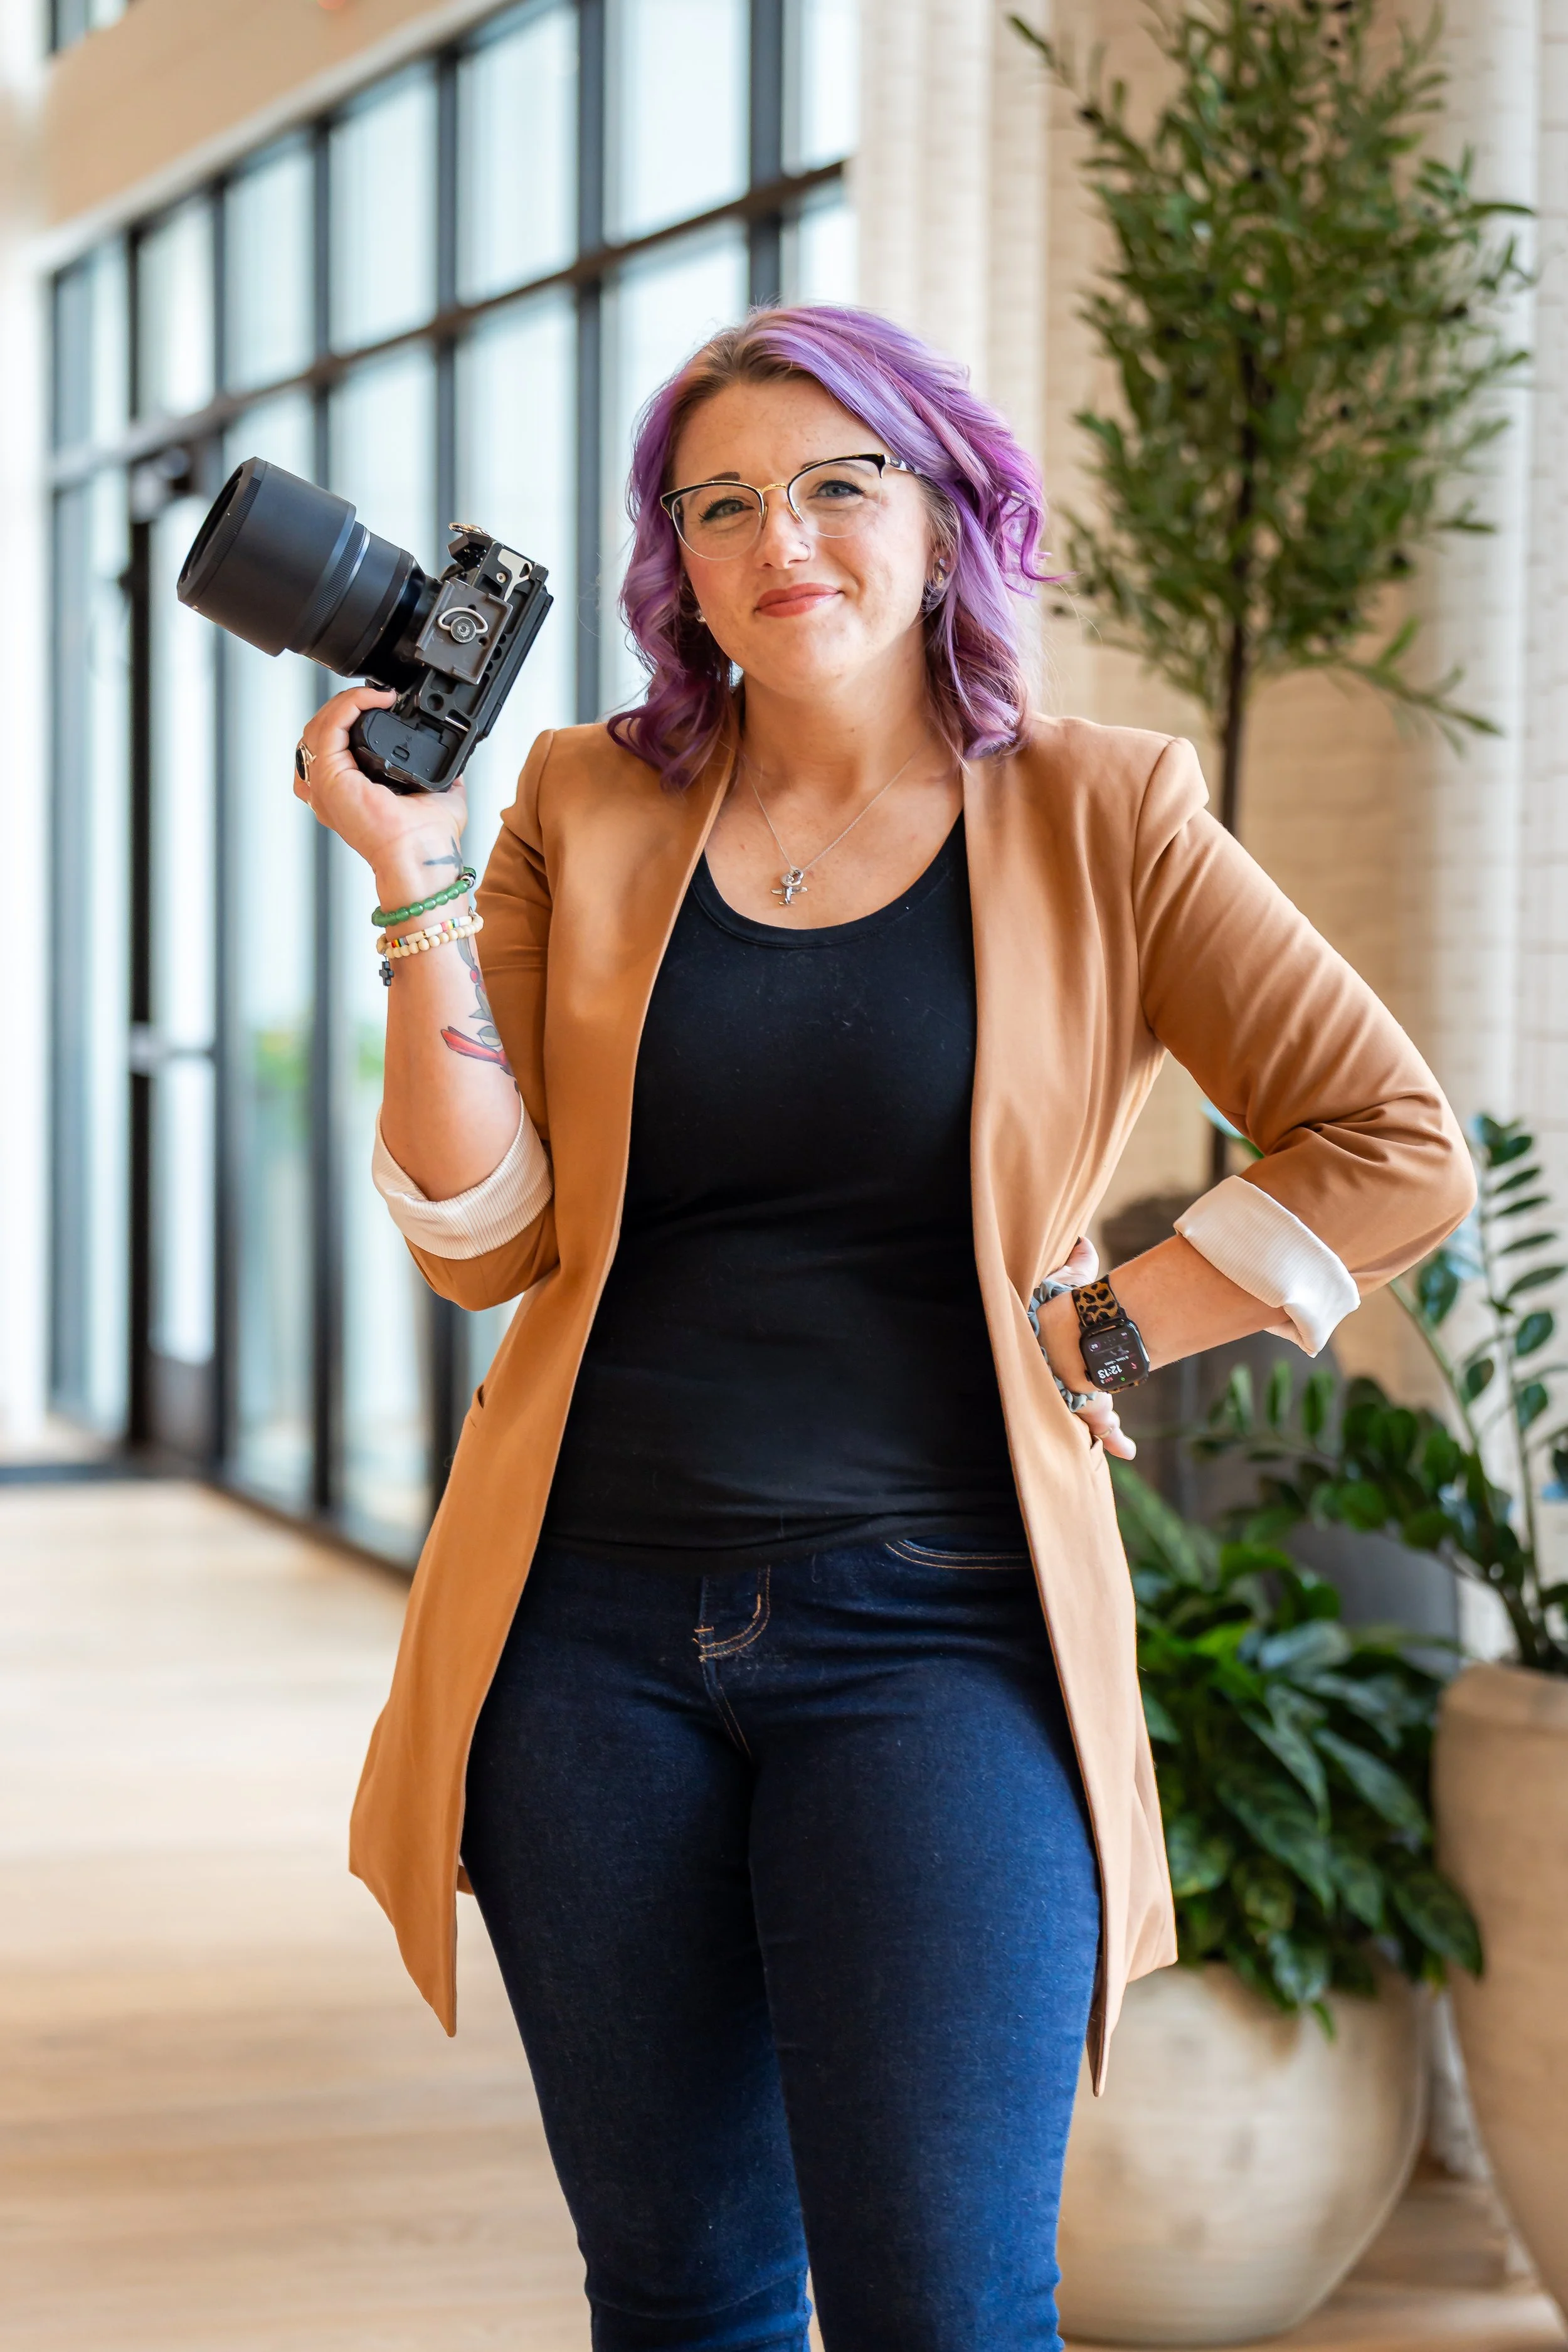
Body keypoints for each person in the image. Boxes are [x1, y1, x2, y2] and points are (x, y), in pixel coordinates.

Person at [295, 305, 1473, 2351]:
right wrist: (411, 884)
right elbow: (483, 1229)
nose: (787, 539)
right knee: (684, 2292)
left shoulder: (1104, 810)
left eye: (841, 484)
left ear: (948, 520)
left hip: (939, 1631)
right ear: (677, 563)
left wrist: (1115, 1326)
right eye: (724, 503)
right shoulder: (581, 801)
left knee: (944, 2300)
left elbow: (1387, 1140)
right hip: (586, 1639)